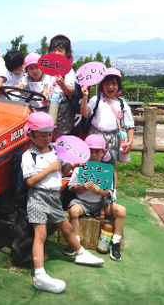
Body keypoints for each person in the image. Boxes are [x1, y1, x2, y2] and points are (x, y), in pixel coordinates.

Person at [21, 112, 104, 294]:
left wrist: (72, 166)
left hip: (53, 197)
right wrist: (49, 169)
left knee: (66, 227)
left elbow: (62, 171)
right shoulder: (28, 156)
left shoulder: (55, 151)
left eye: (50, 134)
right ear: (31, 135)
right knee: (40, 234)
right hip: (37, 196)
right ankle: (40, 275)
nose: (47, 138)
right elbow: (30, 182)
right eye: (43, 135)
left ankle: (81, 253)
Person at [65, 134, 127, 261]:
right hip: (82, 202)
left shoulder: (106, 170)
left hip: (101, 205)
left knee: (121, 211)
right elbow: (71, 187)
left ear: (103, 153)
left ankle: (115, 242)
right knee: (73, 211)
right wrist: (82, 187)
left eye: (97, 151)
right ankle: (75, 242)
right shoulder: (80, 168)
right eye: (90, 151)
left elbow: (109, 191)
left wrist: (101, 192)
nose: (93, 154)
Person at [79, 68, 135, 185]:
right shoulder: (96, 100)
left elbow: (129, 124)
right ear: (102, 85)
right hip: (95, 137)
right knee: (92, 164)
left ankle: (110, 193)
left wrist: (130, 141)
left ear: (118, 86)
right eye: (107, 83)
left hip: (113, 138)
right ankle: (91, 194)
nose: (110, 87)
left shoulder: (122, 104)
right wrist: (85, 97)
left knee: (111, 166)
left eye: (114, 84)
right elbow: (85, 113)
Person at [46, 35, 76, 139]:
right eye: (53, 50)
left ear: (67, 53)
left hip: (63, 109)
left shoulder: (68, 71)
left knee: (58, 137)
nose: (56, 53)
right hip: (47, 106)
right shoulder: (46, 69)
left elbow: (71, 92)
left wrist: (62, 84)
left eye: (60, 50)